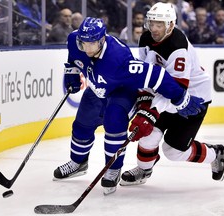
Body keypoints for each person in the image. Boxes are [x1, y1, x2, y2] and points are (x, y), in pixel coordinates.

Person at [53, 16, 206, 195]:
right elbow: (73, 57)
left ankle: (113, 168)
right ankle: (78, 162)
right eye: (83, 43)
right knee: (82, 123)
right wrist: (71, 71)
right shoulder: (74, 39)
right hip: (96, 89)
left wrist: (180, 97)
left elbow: (156, 75)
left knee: (114, 121)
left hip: (121, 92)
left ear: (102, 40)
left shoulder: (119, 59)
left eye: (91, 44)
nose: (86, 48)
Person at [120, 2, 224, 186]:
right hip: (167, 93)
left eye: (159, 24)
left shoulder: (178, 47)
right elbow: (146, 72)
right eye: (152, 23)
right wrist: (145, 105)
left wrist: (151, 110)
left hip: (191, 99)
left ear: (170, 25)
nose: (154, 29)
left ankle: (215, 153)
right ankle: (144, 169)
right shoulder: (146, 37)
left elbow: (178, 90)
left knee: (173, 151)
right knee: (149, 135)